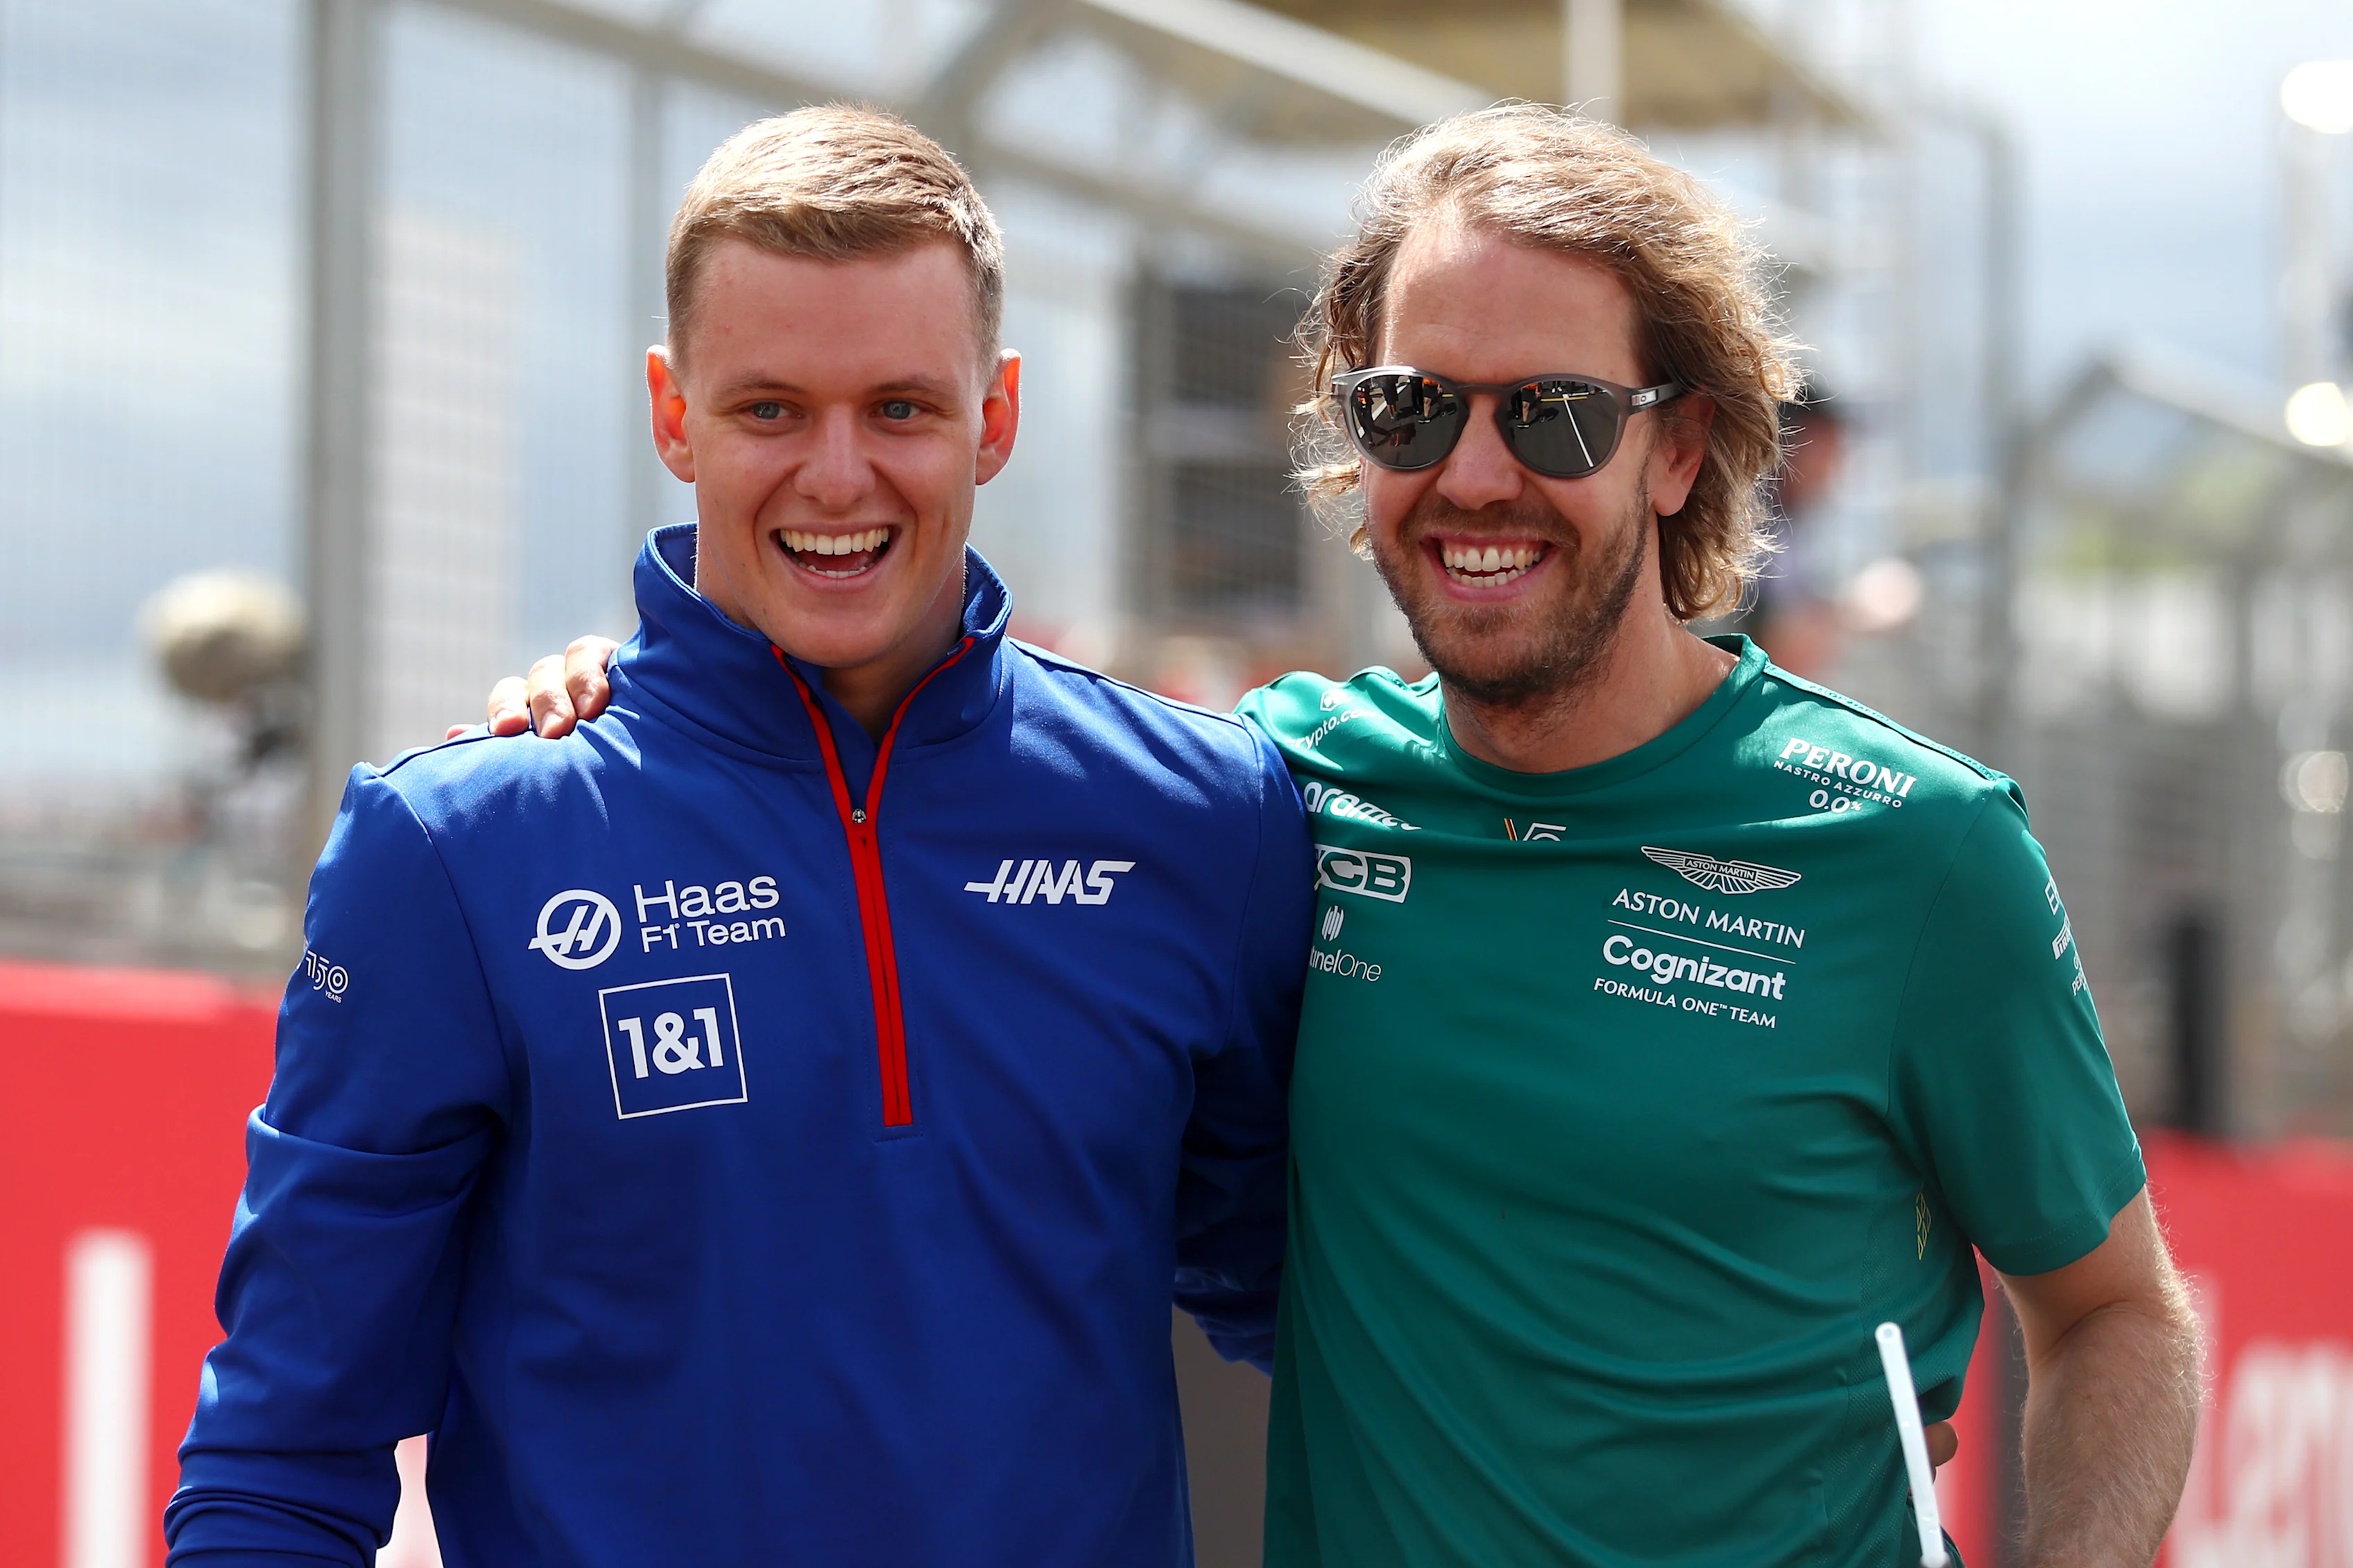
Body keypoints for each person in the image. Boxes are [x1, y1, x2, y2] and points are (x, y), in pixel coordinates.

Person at [504, 109, 2201, 1567]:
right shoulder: (1267, 798)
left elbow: (2114, 1311)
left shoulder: (1916, 847)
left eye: (1551, 415)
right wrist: (641, 708)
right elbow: (939, 757)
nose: (1473, 475)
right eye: (1409, 410)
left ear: (1681, 446)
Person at [166, 108, 1311, 1568]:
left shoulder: (1202, 816)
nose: (837, 478)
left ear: (996, 415)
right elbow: (279, 1456)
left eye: (900, 407)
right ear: (672, 411)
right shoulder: (458, 849)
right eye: (771, 408)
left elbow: (1327, 1314)